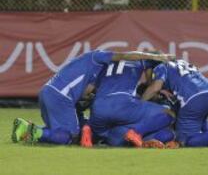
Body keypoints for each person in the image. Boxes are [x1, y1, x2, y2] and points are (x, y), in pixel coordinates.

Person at [11, 50, 174, 146]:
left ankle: (28, 129)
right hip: (62, 97)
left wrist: (89, 101)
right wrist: (153, 57)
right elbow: (122, 55)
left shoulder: (95, 70)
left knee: (62, 130)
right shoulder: (97, 56)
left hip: (48, 91)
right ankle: (33, 131)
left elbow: (87, 92)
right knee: (69, 136)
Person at [142, 59, 208, 147]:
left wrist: (139, 103)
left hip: (193, 101)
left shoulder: (160, 67)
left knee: (185, 141)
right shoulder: (181, 62)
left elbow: (155, 87)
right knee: (205, 138)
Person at [89, 58, 177, 148]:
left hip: (99, 111)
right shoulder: (143, 62)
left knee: (168, 134)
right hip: (125, 107)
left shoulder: (105, 66)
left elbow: (89, 89)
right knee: (169, 115)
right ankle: (138, 134)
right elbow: (153, 86)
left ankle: (88, 131)